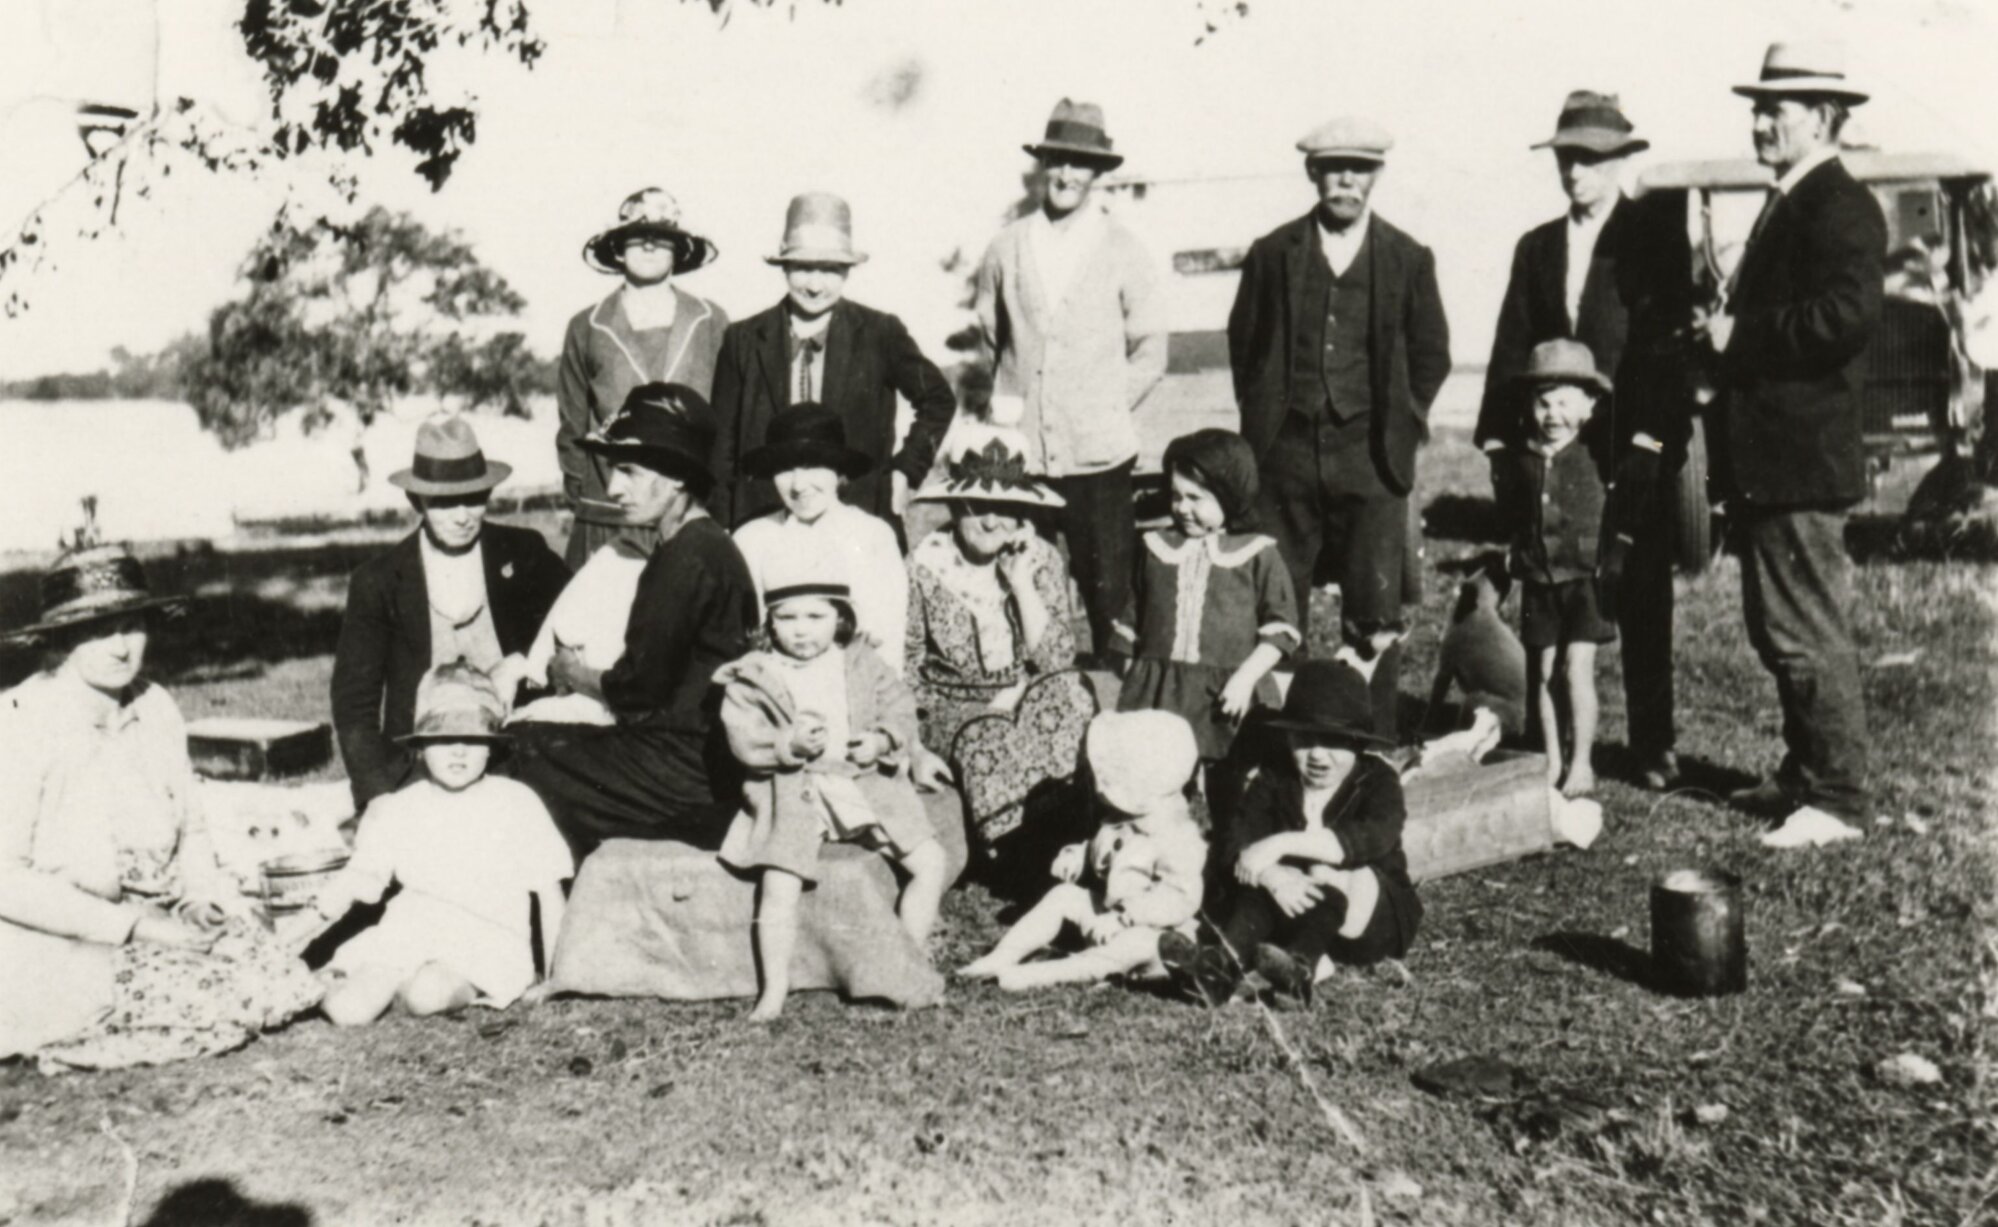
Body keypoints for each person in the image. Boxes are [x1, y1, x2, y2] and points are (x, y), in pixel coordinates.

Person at [0, 519, 320, 1070]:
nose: (121, 647)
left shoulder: (155, 707)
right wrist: (138, 928)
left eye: (132, 626)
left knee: (284, 977)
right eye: (99, 630)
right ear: (61, 638)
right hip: (63, 935)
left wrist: (199, 900)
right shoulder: (22, 722)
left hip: (161, 915)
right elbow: (6, 879)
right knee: (220, 1000)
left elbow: (191, 829)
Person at [1473, 90, 1695, 791]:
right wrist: (1499, 441)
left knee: (1641, 589)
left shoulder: (1654, 237)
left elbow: (1667, 348)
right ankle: (1556, 741)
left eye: (1592, 160)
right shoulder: (1537, 247)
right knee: (1555, 584)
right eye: (1567, 158)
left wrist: (1651, 441)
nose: (1575, 172)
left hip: (1630, 446)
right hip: (1553, 450)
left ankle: (1653, 744)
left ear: (1621, 161)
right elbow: (1512, 342)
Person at [1696, 41, 1884, 846]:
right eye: (1757, 108)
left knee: (1804, 631)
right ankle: (1806, 773)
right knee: (1780, 626)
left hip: (1800, 460)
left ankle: (1837, 799)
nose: (1759, 122)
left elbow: (1846, 317)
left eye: (1776, 109)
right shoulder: (1799, 199)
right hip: (1777, 459)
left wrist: (1739, 334)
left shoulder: (1838, 204)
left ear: (1823, 117)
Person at [1227, 117, 1452, 738]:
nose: (1346, 180)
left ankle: (1371, 743)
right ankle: (1279, 741)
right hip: (1284, 458)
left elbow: (1431, 352)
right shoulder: (1273, 253)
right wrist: (1269, 417)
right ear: (1313, 174)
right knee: (1276, 602)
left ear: (1377, 175)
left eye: (1359, 168)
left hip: (1371, 459)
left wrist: (1400, 420)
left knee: (1373, 613)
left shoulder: (1406, 257)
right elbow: (1246, 345)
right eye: (1333, 169)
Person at [509, 383, 761, 858]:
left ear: (678, 476)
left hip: (681, 775)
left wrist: (570, 672)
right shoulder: (705, 545)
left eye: (629, 471)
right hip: (700, 760)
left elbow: (636, 692)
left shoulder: (686, 558)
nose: (613, 488)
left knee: (515, 748)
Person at [975, 98, 1167, 659]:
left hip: (1098, 457)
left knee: (1108, 593)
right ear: (1042, 165)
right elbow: (994, 340)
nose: (1065, 174)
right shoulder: (1006, 246)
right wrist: (1014, 408)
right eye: (1056, 160)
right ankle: (1036, 689)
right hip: (1022, 457)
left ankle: (1109, 692)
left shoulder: (1123, 249)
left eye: (1079, 163)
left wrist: (1105, 408)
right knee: (1023, 582)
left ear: (1097, 172)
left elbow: (1151, 351)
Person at [715, 578, 947, 1022]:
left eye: (815, 616)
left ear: (839, 617)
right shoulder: (755, 674)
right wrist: (789, 743)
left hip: (858, 784)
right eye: (787, 617)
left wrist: (881, 740)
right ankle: (774, 989)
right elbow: (743, 737)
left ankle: (905, 962)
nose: (801, 629)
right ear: (769, 623)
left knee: (930, 861)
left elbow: (900, 707)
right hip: (792, 789)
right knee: (779, 885)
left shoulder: (860, 660)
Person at [307, 662, 573, 1024]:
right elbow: (359, 878)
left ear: (491, 745)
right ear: (421, 745)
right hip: (411, 931)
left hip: (487, 941)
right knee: (348, 1010)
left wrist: (555, 977)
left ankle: (406, 987)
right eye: (444, 738)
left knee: (426, 995)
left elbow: (549, 894)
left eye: (472, 739)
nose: (458, 751)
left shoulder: (515, 801)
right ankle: (332, 982)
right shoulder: (402, 806)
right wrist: (298, 930)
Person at [331, 414, 569, 812]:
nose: (462, 516)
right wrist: (378, 797)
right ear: (417, 501)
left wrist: (524, 664)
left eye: (473, 498)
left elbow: (581, 625)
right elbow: (354, 703)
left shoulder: (523, 553)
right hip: (419, 769)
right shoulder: (379, 581)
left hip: (519, 759)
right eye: (444, 502)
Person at [1161, 660, 1422, 1009]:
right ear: (1287, 737)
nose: (1318, 755)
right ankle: (1220, 970)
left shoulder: (1377, 781)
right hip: (1293, 909)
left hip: (1367, 918)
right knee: (1259, 880)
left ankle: (1299, 969)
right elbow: (1237, 836)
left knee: (1323, 871)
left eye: (1334, 741)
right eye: (1304, 739)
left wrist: (1279, 844)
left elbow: (1373, 836)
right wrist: (1271, 874)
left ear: (1358, 744)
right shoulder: (1277, 778)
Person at [904, 422, 1097, 859]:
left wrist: (1022, 583)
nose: (992, 522)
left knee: (1071, 694)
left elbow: (1057, 661)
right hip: (953, 708)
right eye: (978, 507)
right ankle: (1018, 855)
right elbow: (906, 667)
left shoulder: (1040, 557)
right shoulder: (923, 566)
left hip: (1024, 692)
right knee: (988, 734)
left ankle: (1076, 836)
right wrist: (915, 741)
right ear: (955, 505)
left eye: (1005, 507)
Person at [710, 193, 957, 528]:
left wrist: (906, 469)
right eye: (803, 268)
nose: (815, 285)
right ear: (784, 266)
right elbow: (722, 446)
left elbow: (938, 399)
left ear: (848, 270)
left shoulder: (880, 333)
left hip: (858, 515)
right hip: (764, 519)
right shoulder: (743, 339)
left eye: (830, 269)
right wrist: (723, 521)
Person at [1109, 429, 1299, 817]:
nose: (1182, 507)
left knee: (1230, 786)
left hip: (1224, 697)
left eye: (1196, 498)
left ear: (1230, 495)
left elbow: (1280, 629)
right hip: (1162, 693)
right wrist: (1131, 677)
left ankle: (1229, 840)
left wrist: (1245, 679)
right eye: (1176, 495)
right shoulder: (1155, 548)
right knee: (1155, 785)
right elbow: (1132, 616)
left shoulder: (1257, 554)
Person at [958, 711, 1205, 992]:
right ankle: (1002, 956)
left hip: (1154, 933)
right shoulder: (1122, 816)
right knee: (1063, 895)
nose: (1101, 788)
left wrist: (1124, 918)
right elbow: (1101, 846)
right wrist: (1077, 857)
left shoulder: (1178, 838)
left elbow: (1178, 897)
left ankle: (1034, 975)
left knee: (1132, 947)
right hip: (1106, 915)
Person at [559, 187, 730, 566]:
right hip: (609, 516)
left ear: (679, 250)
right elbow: (572, 426)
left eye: (662, 236)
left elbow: (724, 419)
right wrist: (587, 501)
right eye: (637, 236)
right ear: (618, 248)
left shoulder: (710, 320)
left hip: (687, 511)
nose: (650, 245)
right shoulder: (586, 326)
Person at [1494, 341, 1619, 797]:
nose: (1553, 415)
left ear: (1589, 405)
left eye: (1565, 403)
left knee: (1575, 668)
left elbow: (1655, 448)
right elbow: (1517, 512)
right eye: (1543, 403)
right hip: (1540, 580)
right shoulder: (1521, 455)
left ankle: (1581, 763)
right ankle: (1551, 760)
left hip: (1588, 578)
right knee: (1545, 671)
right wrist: (1516, 551)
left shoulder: (1600, 450)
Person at [731, 402, 909, 671]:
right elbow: (747, 638)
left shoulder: (873, 537)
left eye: (812, 466)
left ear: (838, 470)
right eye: (785, 469)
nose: (798, 485)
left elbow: (887, 644)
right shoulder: (751, 539)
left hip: (855, 685)